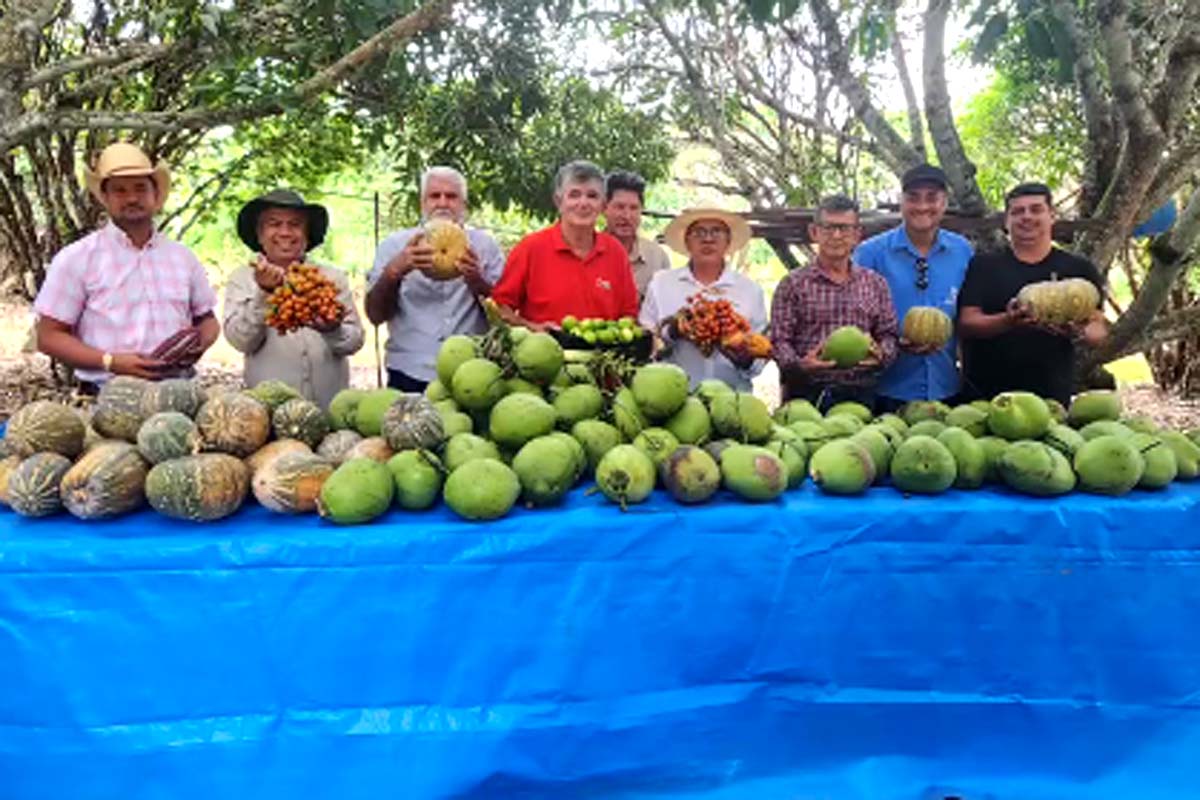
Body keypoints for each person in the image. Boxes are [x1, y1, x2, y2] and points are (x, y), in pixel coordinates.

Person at [33, 142, 220, 391]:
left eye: (140, 188)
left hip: (179, 393)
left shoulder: (182, 257)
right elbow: (48, 336)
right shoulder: (76, 258)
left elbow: (207, 320)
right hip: (106, 397)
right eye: (119, 190)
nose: (132, 198)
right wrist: (110, 361)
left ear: (155, 196)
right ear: (105, 198)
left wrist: (198, 343)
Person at [958, 182, 1108, 405]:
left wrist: (1079, 331)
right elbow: (966, 323)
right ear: (1007, 221)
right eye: (1017, 211)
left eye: (1036, 209)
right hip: (985, 397)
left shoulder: (1079, 270)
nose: (1026, 217)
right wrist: (1008, 321)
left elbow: (1099, 330)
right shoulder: (982, 266)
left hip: (1051, 396)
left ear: (1052, 215)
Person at [365, 166, 505, 392]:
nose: (442, 203)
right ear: (422, 204)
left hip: (471, 371)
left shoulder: (484, 246)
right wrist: (394, 272)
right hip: (409, 369)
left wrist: (476, 280)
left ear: (463, 205)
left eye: (451, 196)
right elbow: (375, 315)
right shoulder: (395, 246)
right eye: (434, 196)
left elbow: (503, 316)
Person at [223, 189, 365, 410]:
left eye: (295, 224)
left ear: (306, 236)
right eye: (274, 224)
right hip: (268, 415)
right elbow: (240, 341)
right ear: (259, 235)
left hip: (330, 411)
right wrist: (264, 294)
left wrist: (332, 329)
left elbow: (354, 341)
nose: (285, 232)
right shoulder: (242, 279)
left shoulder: (331, 279)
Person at [854, 164, 973, 411]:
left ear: (944, 202)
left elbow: (968, 312)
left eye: (932, 198)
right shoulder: (870, 253)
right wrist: (891, 343)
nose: (922, 206)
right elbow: (853, 320)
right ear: (901, 202)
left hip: (946, 387)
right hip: (884, 390)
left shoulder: (962, 251)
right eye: (913, 198)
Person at [771, 194, 899, 411]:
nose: (836, 235)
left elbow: (889, 334)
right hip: (807, 395)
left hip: (861, 393)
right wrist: (800, 365)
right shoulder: (793, 284)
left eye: (845, 228)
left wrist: (881, 355)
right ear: (814, 232)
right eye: (828, 227)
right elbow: (778, 340)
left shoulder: (875, 283)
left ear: (857, 234)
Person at [491, 161, 639, 330]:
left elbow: (629, 315)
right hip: (540, 353)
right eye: (574, 195)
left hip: (605, 355)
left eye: (592, 196)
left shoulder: (615, 252)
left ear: (603, 205)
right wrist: (532, 328)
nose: (583, 203)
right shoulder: (530, 248)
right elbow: (499, 309)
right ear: (558, 201)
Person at [639, 209, 767, 391]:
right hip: (675, 397)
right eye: (698, 232)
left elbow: (759, 359)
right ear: (687, 241)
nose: (708, 239)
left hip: (733, 398)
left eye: (716, 231)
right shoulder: (661, 284)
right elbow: (645, 344)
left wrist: (744, 358)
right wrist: (673, 331)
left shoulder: (750, 291)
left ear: (728, 241)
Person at [603, 170, 671, 302]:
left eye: (634, 208)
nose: (627, 216)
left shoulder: (657, 257)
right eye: (619, 207)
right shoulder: (587, 252)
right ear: (604, 208)